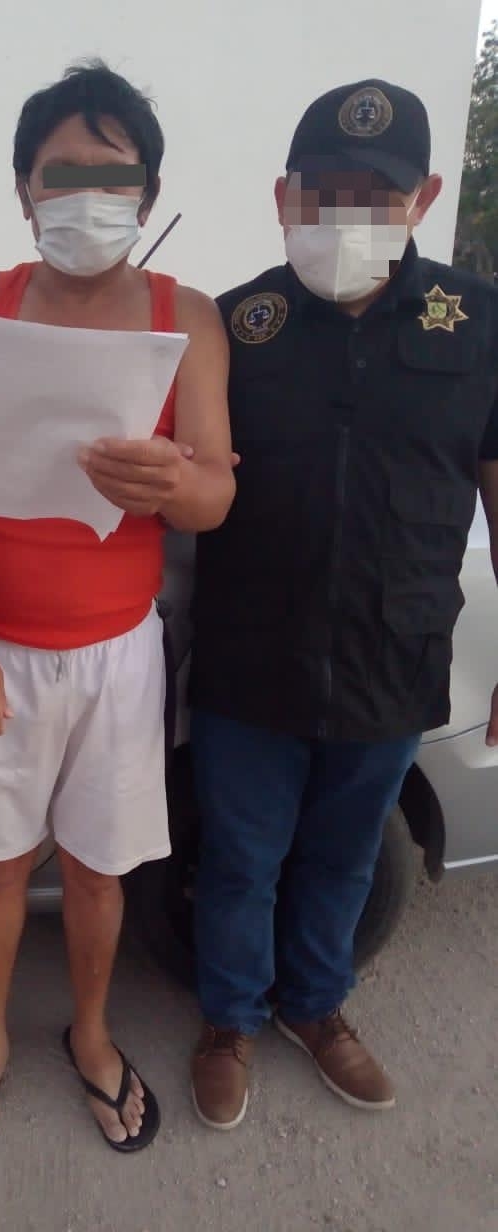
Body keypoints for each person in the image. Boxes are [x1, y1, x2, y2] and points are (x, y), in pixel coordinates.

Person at [0, 60, 235, 1166]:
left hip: (119, 654)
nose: (88, 197)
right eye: (62, 174)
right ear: (23, 189)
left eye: (114, 176)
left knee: (97, 869)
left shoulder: (182, 317)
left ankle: (90, 1032)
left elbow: (217, 492)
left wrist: (173, 483)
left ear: (149, 192)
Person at [187, 78, 498, 1130]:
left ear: (425, 198)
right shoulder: (237, 324)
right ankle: (229, 1017)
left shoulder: (479, 325)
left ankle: (315, 1006)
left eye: (377, 192)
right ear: (285, 195)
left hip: (392, 652)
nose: (347, 213)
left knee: (346, 855)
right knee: (238, 859)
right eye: (324, 191)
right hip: (251, 655)